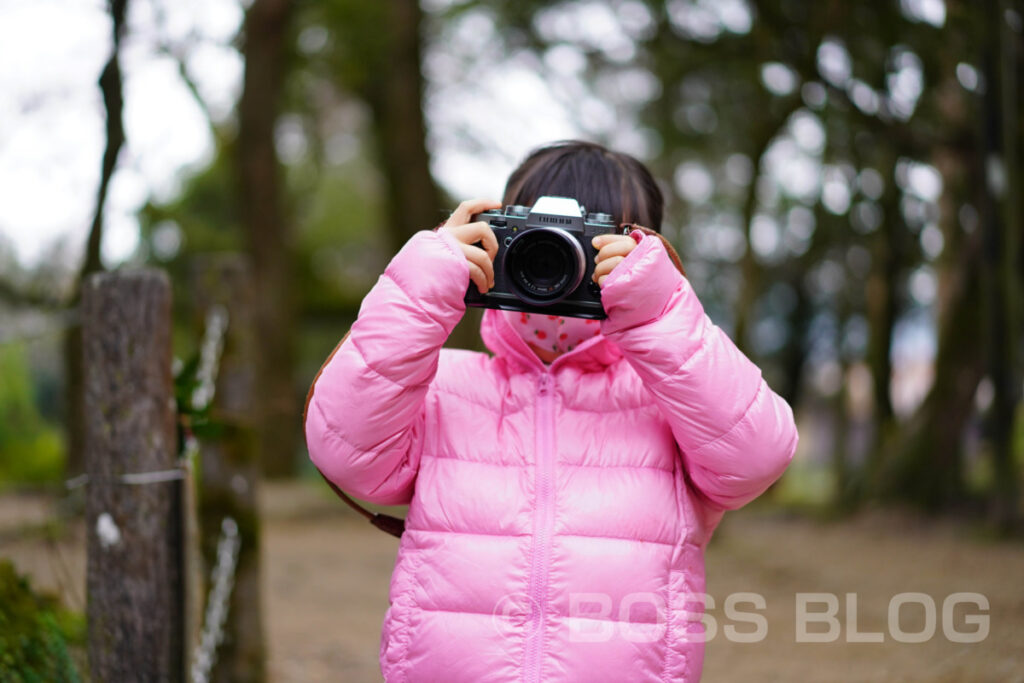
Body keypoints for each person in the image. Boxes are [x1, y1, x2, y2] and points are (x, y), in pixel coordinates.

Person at [304, 140, 798, 682]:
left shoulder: (671, 400)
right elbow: (346, 449)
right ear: (497, 239)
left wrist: (658, 314)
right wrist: (422, 288)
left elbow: (758, 457)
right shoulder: (444, 384)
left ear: (646, 253)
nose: (560, 261)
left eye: (591, 242)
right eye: (535, 239)